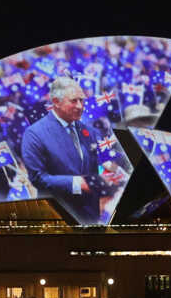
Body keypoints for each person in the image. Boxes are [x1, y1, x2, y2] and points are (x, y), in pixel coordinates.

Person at [20, 76, 107, 224]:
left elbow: (97, 166)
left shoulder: (90, 131)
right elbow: (37, 178)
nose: (80, 106)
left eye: (82, 100)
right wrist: (75, 183)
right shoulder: (35, 134)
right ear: (56, 102)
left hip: (90, 216)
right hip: (57, 217)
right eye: (74, 101)